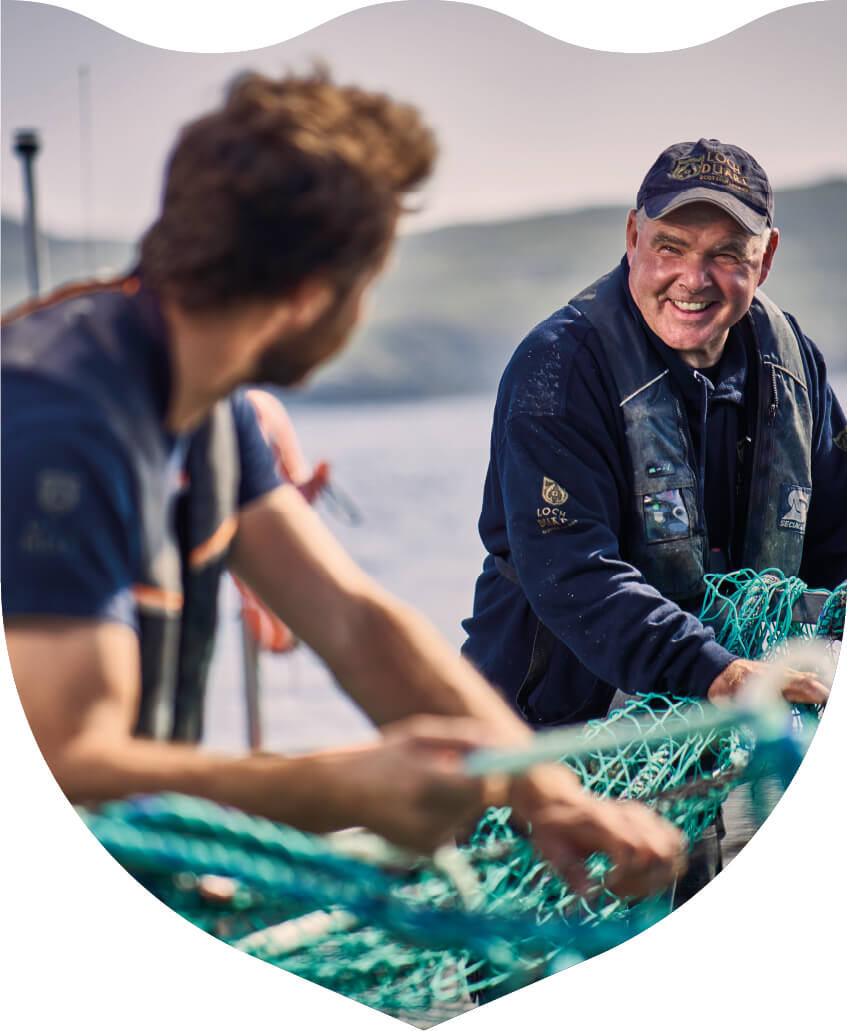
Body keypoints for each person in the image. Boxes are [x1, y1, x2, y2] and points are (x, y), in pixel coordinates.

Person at [1, 70, 686, 900]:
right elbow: (64, 763)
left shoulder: (201, 400)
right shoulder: (62, 422)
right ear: (306, 295)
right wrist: (344, 789)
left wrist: (541, 791)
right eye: (366, 286)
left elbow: (353, 621)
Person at [462, 138, 843, 898]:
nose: (692, 280)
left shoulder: (791, 359)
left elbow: (833, 533)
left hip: (709, 751)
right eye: (670, 246)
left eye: (725, 254)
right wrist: (717, 670)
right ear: (632, 238)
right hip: (555, 745)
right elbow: (571, 572)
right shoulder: (556, 367)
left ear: (763, 260)